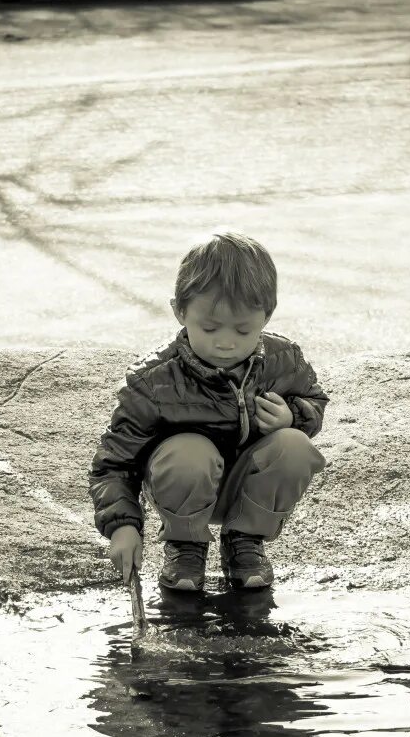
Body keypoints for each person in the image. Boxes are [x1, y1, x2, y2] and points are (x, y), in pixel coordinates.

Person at [90, 231, 328, 593]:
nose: (226, 341)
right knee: (188, 451)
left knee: (295, 447)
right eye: (210, 327)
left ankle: (245, 542)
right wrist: (123, 526)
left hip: (247, 487)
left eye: (244, 329)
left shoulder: (283, 359)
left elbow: (315, 400)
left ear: (267, 316)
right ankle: (186, 546)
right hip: (183, 486)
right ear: (179, 311)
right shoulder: (153, 379)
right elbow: (113, 463)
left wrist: (293, 416)